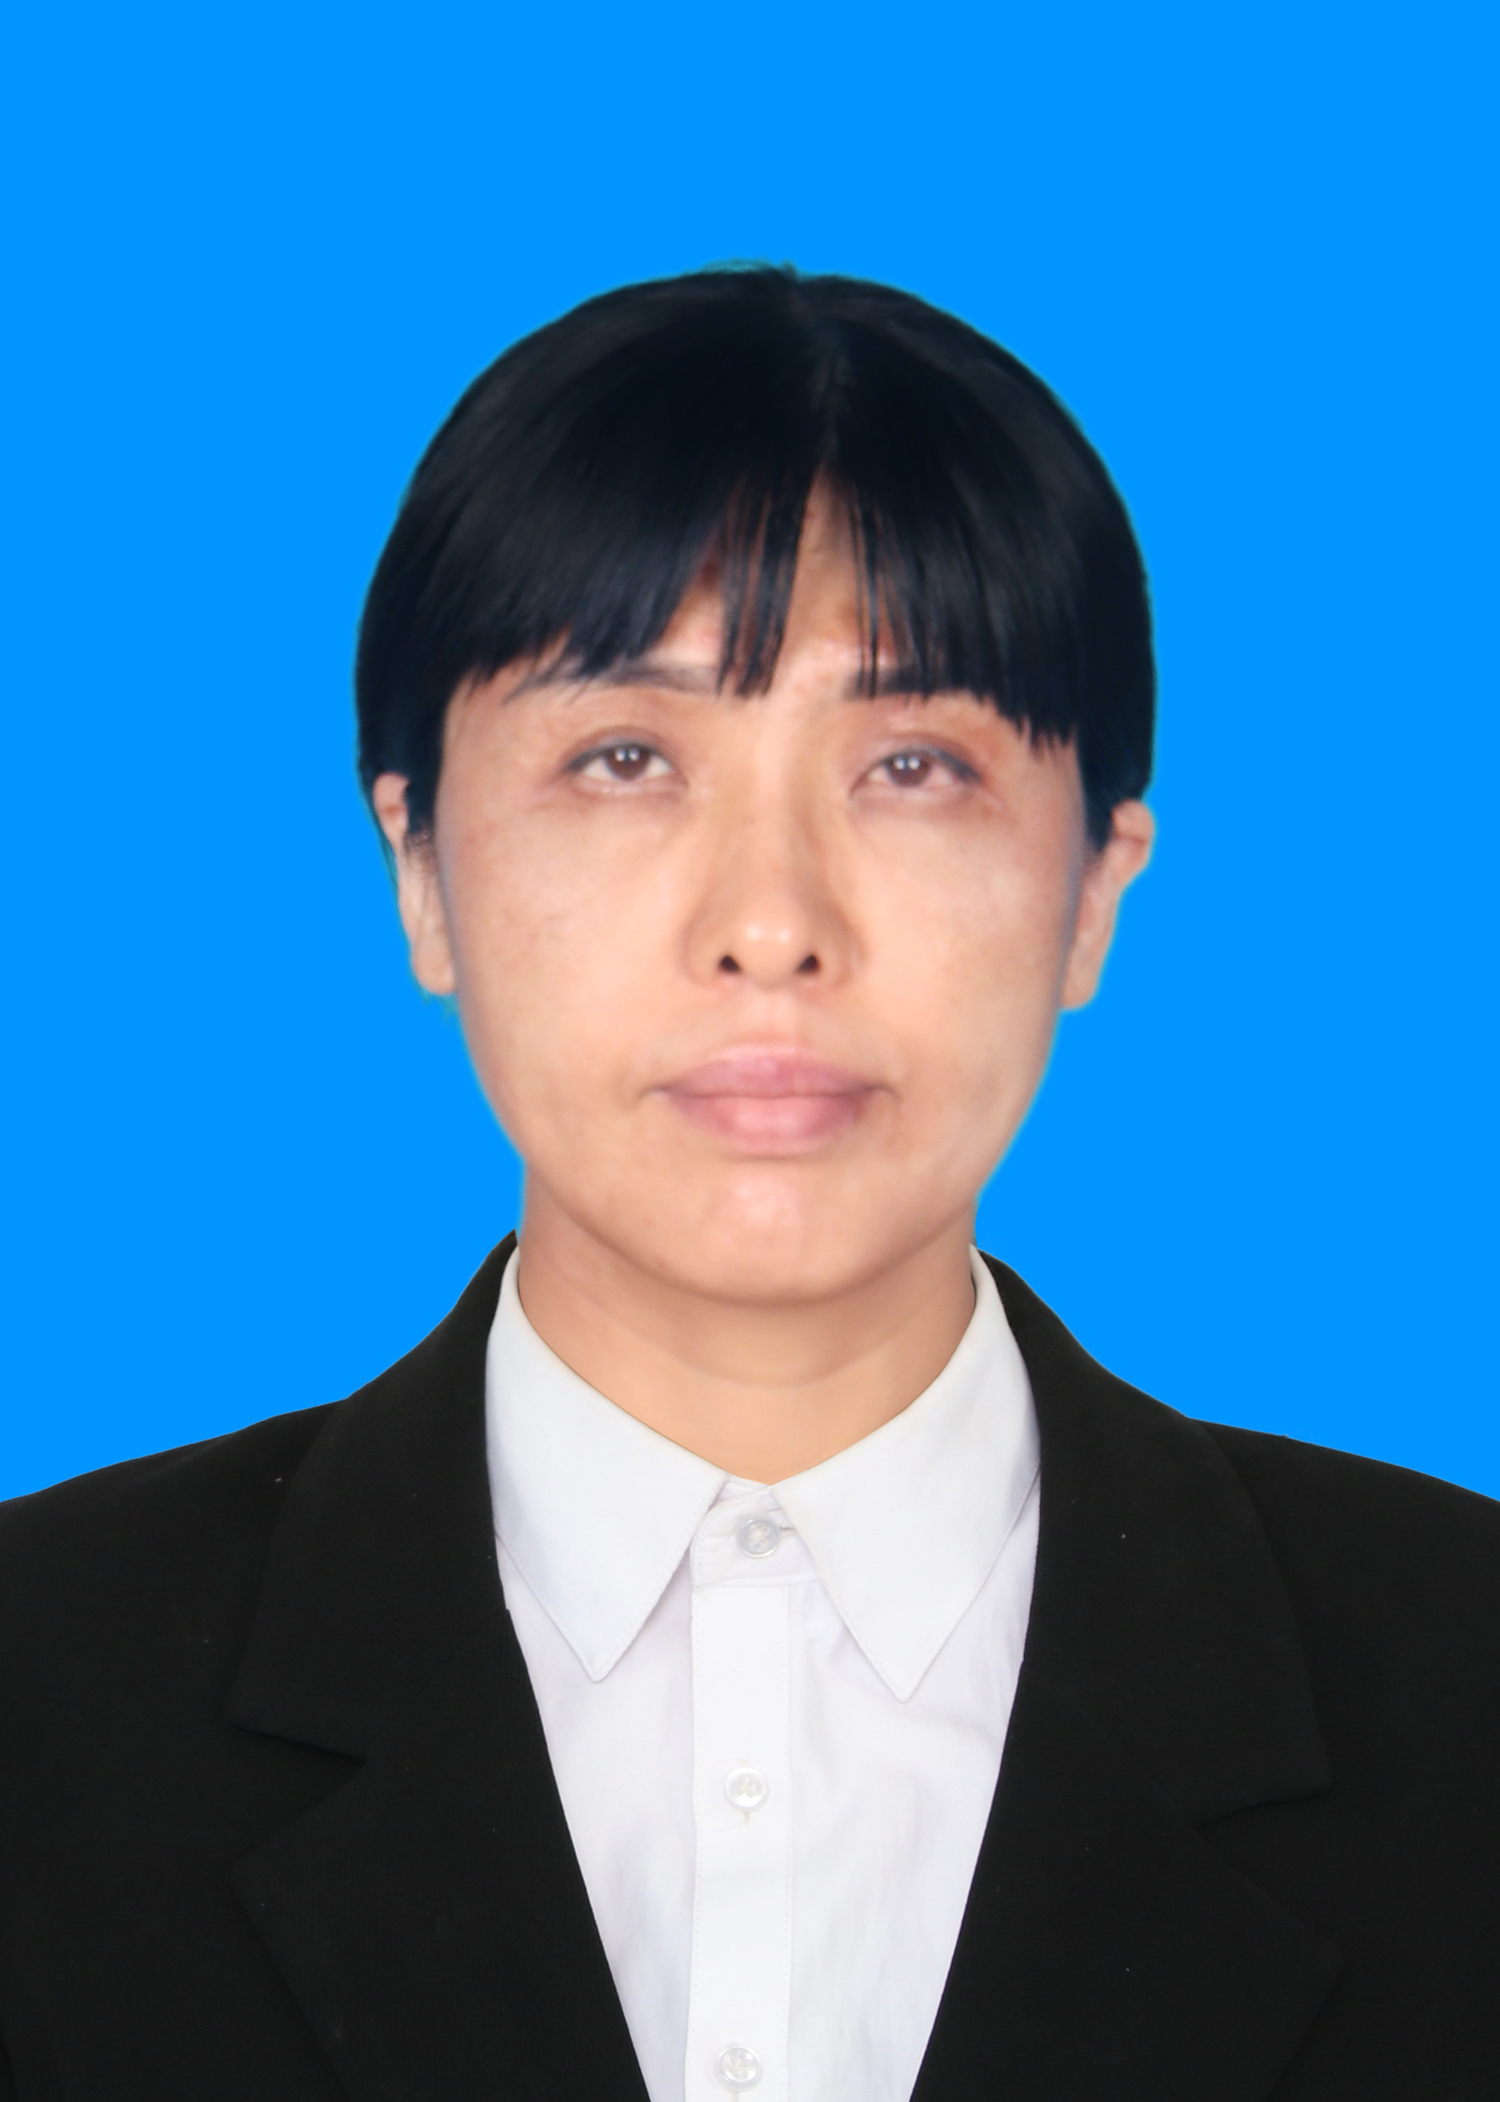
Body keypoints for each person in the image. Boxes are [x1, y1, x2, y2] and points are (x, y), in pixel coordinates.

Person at [0, 267, 1496, 2102]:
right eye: (626, 758)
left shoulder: (1466, 1688)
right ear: (421, 868)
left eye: (915, 765)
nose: (772, 923)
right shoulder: (39, 1694)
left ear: (1096, 889)